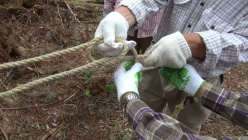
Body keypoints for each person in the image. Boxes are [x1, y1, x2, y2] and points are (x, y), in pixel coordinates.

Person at [94, 0, 248, 134]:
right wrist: (122, 15)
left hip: (203, 73)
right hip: (155, 58)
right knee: (145, 109)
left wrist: (191, 44)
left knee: (186, 127)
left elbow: (244, 43)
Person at [113, 61, 248, 140]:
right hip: (158, 63)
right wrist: (201, 88)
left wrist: (128, 97)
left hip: (207, 72)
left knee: (188, 124)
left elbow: (176, 136)